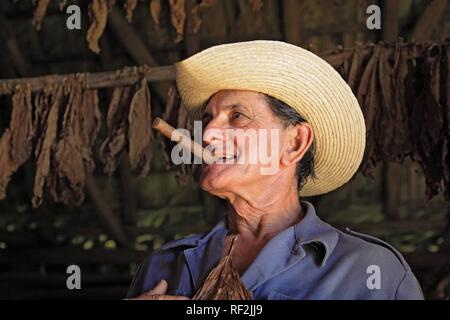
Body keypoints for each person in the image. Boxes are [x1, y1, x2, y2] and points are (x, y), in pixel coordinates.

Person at [126, 41, 424, 300]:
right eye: (207, 119)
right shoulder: (163, 266)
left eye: (237, 116)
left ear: (295, 143)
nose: (206, 135)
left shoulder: (373, 273)